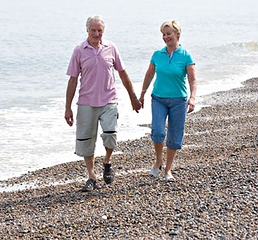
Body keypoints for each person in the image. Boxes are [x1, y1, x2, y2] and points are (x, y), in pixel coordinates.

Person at [65, 15, 142, 192]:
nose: (97, 33)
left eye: (100, 30)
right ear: (87, 30)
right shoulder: (79, 50)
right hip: (86, 102)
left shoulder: (111, 48)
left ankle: (107, 161)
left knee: (110, 133)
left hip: (109, 101)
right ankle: (91, 176)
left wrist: (133, 98)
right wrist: (67, 107)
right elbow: (73, 80)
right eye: (93, 30)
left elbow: (123, 73)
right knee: (86, 141)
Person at [139, 19, 197, 182]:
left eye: (169, 33)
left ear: (177, 34)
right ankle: (158, 160)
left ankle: (168, 169)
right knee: (157, 131)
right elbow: (149, 74)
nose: (166, 37)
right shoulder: (158, 55)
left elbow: (193, 80)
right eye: (164, 34)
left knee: (174, 135)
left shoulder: (186, 56)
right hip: (158, 99)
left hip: (179, 101)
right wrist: (142, 94)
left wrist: (192, 98)